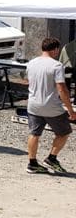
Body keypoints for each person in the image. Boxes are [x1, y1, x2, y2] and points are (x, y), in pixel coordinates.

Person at [25, 38, 76, 174]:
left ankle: (32, 163)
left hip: (33, 104)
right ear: (55, 50)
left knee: (34, 134)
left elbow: (29, 82)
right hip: (50, 106)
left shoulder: (31, 63)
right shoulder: (57, 66)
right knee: (64, 132)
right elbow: (62, 89)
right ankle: (52, 158)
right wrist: (70, 110)